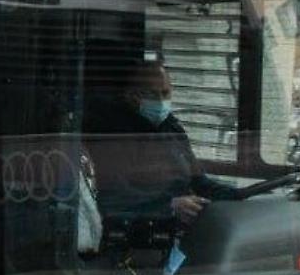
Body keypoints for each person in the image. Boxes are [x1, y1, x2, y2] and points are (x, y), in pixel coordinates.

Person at [92, 60, 235, 227]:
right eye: (152, 94)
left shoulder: (172, 129)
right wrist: (169, 206)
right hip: (141, 231)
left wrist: (238, 194)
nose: (161, 101)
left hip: (181, 227)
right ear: (131, 95)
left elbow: (198, 181)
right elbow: (113, 197)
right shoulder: (113, 136)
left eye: (165, 93)